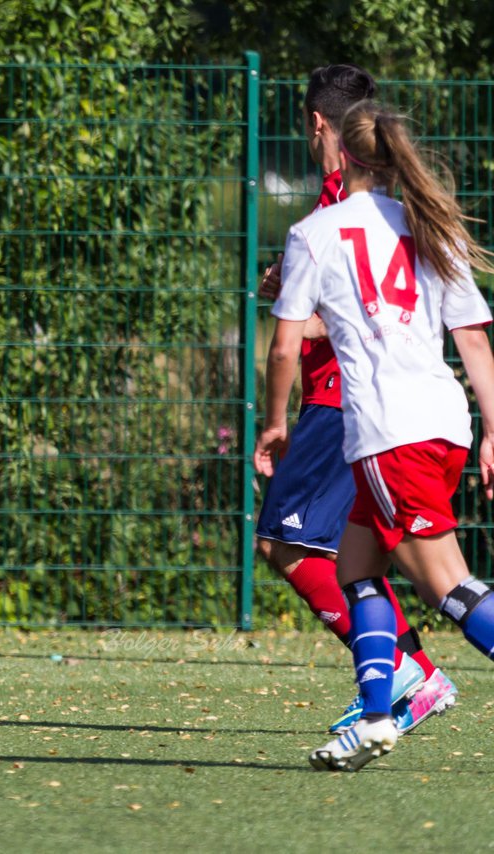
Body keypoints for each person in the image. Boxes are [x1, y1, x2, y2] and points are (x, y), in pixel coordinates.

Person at [257, 99, 494, 771]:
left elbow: (282, 350)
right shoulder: (430, 225)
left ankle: (389, 707)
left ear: (340, 149)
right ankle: (379, 716)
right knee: (355, 569)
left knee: (445, 585)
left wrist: (276, 425)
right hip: (443, 421)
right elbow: (473, 342)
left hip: (392, 431)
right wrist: (492, 433)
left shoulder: (318, 232)